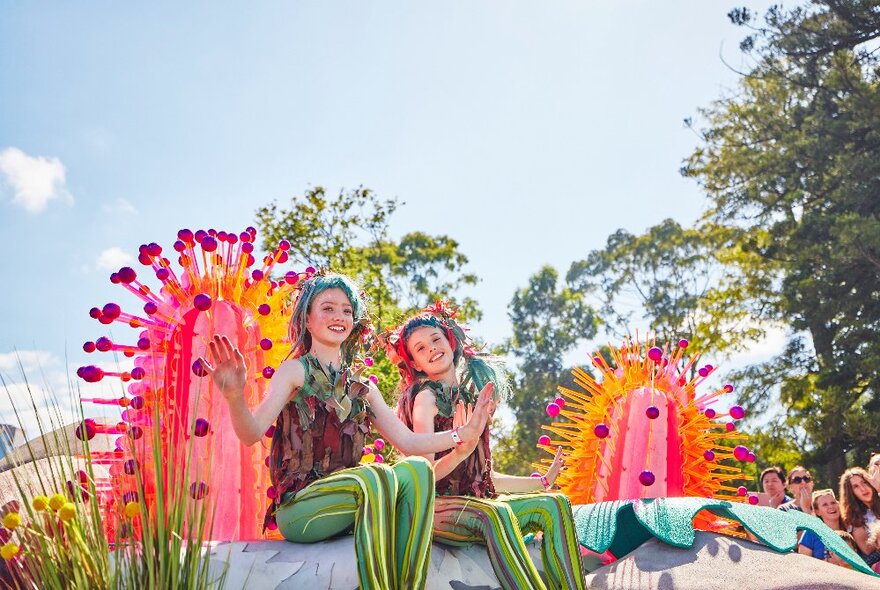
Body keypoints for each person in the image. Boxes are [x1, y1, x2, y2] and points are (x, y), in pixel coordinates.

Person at [200, 273, 494, 590]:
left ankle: (409, 583)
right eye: (328, 308)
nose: (339, 316)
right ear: (307, 320)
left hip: (352, 503)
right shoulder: (296, 371)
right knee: (376, 475)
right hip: (302, 509)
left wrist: (461, 435)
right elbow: (250, 432)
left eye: (346, 310)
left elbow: (410, 442)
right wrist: (234, 396)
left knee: (418, 468)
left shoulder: (362, 389)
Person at [384, 302, 586, 590]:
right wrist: (460, 451)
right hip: (437, 509)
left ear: (450, 342)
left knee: (555, 503)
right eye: (420, 348)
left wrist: (542, 482)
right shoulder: (425, 398)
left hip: (477, 503)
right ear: (415, 363)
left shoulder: (470, 399)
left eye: (435, 339)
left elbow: (483, 480)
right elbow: (423, 475)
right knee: (495, 514)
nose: (431, 348)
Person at [797, 489, 847, 565]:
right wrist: (828, 562)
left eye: (833, 503)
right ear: (817, 512)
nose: (831, 506)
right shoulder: (810, 533)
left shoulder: (849, 528)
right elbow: (803, 564)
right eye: (825, 504)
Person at [839, 467, 880, 558]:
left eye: (864, 482)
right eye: (856, 486)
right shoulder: (853, 517)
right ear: (851, 493)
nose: (863, 488)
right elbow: (867, 549)